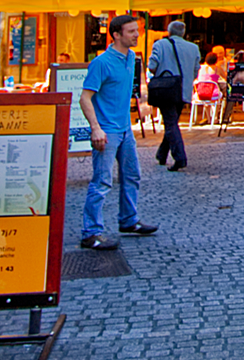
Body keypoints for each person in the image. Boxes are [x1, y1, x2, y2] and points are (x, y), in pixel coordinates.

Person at [79, 15, 157, 250]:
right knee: (102, 181)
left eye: (137, 30)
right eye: (131, 31)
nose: (137, 35)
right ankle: (90, 232)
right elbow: (85, 98)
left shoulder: (131, 57)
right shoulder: (102, 63)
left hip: (125, 129)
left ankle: (129, 220)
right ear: (116, 35)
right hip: (107, 131)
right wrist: (96, 128)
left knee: (132, 175)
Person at [147, 20, 201, 173]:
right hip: (183, 90)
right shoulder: (193, 48)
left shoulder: (160, 45)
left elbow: (152, 66)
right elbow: (196, 70)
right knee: (172, 122)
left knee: (170, 123)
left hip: (166, 89)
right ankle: (161, 154)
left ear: (169, 31)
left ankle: (180, 157)